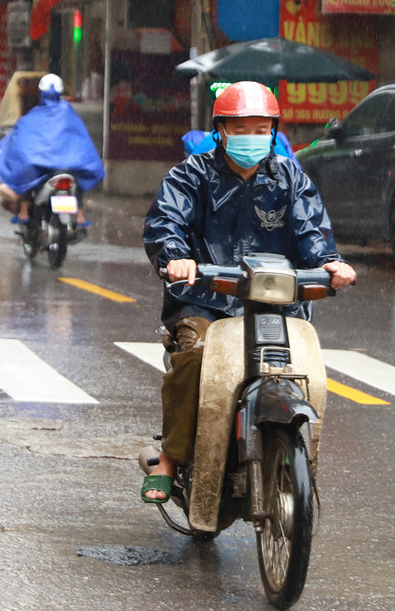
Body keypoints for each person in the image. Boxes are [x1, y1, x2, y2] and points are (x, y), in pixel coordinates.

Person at [140, 81, 357, 503]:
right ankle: (169, 457)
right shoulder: (192, 175)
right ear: (221, 130)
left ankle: (294, 463)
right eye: (242, 129)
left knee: (298, 369)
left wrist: (328, 261)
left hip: (275, 303)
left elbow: (309, 226)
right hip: (205, 298)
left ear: (274, 132)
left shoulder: (289, 175)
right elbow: (166, 221)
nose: (252, 139)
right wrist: (177, 257)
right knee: (196, 356)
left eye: (262, 130)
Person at [0, 73, 104, 227]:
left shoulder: (33, 116)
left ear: (41, 93)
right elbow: (81, 140)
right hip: (68, 164)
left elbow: (21, 142)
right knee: (77, 177)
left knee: (25, 171)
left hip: (43, 166)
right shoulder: (69, 113)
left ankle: (24, 211)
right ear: (60, 93)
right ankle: (80, 215)